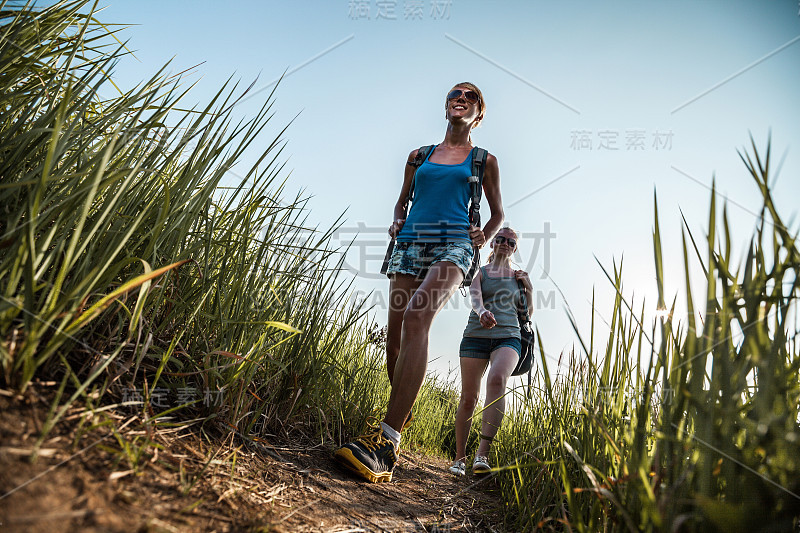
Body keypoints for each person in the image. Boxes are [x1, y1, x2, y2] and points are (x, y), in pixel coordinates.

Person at [333, 82, 505, 483]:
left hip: (455, 244)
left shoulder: (484, 160)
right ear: (446, 106)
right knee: (394, 338)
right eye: (454, 95)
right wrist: (396, 219)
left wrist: (486, 235)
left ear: (478, 113)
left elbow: (497, 213)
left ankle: (386, 445)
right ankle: (400, 418)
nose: (459, 99)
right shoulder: (419, 156)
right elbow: (402, 200)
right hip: (409, 242)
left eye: (469, 97)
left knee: (416, 318)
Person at [449, 226, 532, 476]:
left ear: (515, 248)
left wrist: (529, 288)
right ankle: (459, 458)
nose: (505, 243)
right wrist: (482, 311)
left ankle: (482, 455)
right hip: (476, 336)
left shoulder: (519, 276)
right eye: (501, 239)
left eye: (511, 241)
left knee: (497, 380)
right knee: (469, 398)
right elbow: (474, 296)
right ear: (493, 242)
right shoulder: (480, 271)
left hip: (509, 336)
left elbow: (527, 314)